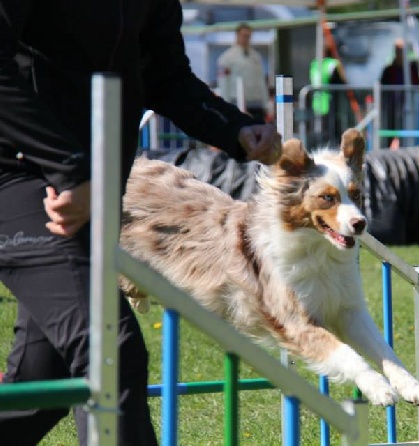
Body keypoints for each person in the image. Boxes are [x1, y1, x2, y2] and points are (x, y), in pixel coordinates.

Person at [0, 3, 281, 445]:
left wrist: (235, 129)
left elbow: (164, 74)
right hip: (20, 174)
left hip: (90, 185)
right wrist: (69, 169)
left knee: (44, 379)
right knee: (108, 350)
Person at [216, 22, 270, 121]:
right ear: (237, 35)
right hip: (236, 102)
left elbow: (261, 81)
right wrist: (225, 106)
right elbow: (223, 83)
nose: (246, 39)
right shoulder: (226, 58)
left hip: (257, 103)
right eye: (244, 35)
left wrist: (266, 103)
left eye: (248, 36)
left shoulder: (256, 56)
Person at [379, 39, 419, 148]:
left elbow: (417, 85)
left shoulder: (412, 69)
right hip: (391, 108)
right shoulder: (388, 70)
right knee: (390, 133)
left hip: (408, 107)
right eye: (398, 50)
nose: (400, 53)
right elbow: (382, 87)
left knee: (407, 133)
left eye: (402, 51)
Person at [309, 45, 346, 143]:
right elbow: (340, 80)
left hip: (316, 100)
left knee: (320, 126)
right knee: (331, 126)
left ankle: (321, 143)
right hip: (329, 99)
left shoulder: (314, 63)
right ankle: (331, 143)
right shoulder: (332, 63)